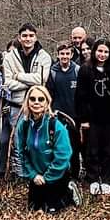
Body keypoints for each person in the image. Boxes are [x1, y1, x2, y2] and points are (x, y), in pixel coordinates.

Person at [0, 23, 52, 178]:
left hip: (39, 106)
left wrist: (18, 76)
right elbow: (8, 83)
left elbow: (41, 79)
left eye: (31, 36)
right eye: (24, 36)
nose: (27, 39)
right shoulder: (10, 57)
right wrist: (30, 81)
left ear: (35, 37)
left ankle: (38, 171)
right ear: (19, 38)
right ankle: (21, 174)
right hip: (17, 105)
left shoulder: (44, 56)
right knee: (18, 141)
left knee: (37, 141)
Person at [16, 86, 80, 213]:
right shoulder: (24, 125)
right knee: (34, 208)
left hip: (56, 175)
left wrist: (47, 177)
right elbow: (22, 153)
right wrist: (33, 175)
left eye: (41, 99)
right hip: (37, 175)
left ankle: (69, 192)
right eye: (32, 99)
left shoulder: (56, 126)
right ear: (27, 102)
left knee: (50, 210)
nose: (36, 102)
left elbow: (63, 157)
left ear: (47, 103)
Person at [76, 38, 110, 195]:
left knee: (109, 149)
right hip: (92, 117)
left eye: (106, 52)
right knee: (92, 149)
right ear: (94, 51)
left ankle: (107, 178)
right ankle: (93, 178)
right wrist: (83, 119)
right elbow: (80, 97)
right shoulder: (85, 70)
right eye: (100, 51)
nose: (102, 55)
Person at [47, 41, 82, 180]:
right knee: (59, 146)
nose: (65, 56)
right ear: (58, 54)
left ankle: (75, 175)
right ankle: (60, 174)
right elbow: (49, 94)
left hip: (75, 116)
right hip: (58, 117)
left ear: (72, 54)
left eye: (67, 53)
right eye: (62, 54)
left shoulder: (77, 70)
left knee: (75, 147)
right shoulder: (53, 72)